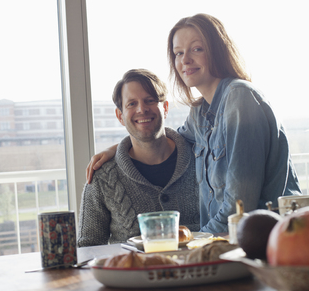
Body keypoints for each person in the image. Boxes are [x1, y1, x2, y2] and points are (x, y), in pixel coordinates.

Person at [86, 14, 301, 235]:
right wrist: (118, 149)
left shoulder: (240, 98)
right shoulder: (200, 113)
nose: (185, 60)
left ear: (217, 50)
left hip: (271, 243)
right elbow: (166, 138)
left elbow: (239, 207)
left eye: (196, 49)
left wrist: (195, 245)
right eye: (179, 53)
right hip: (231, 246)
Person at [78, 69, 200, 247]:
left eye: (149, 101)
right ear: (120, 116)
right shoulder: (102, 177)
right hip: (132, 274)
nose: (142, 109)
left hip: (201, 271)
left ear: (165, 108)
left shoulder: (201, 159)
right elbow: (87, 249)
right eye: (131, 104)